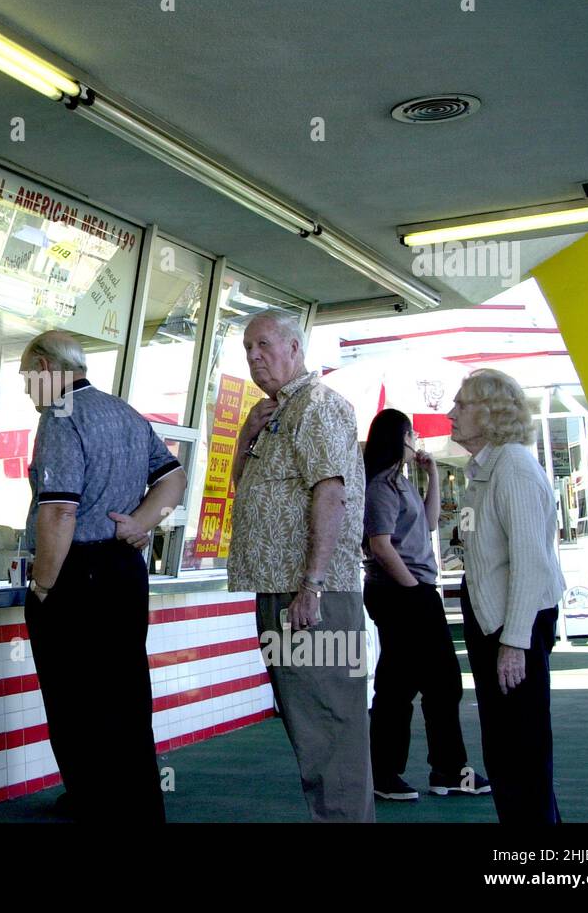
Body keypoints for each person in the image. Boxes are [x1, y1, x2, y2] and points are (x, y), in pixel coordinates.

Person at [19, 330, 186, 823]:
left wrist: (43, 587)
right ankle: (137, 804)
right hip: (124, 573)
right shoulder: (125, 413)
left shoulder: (60, 417)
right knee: (127, 693)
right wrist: (142, 523)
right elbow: (174, 477)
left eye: (29, 378)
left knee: (74, 699)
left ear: (48, 369)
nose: (28, 389)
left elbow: (58, 514)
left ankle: (93, 800)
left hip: (78, 576)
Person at [227, 308, 373, 822]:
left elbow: (330, 493)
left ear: (294, 348)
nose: (254, 357)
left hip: (312, 598)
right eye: (248, 349)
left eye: (263, 345)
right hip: (281, 593)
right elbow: (245, 491)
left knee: (330, 731)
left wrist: (311, 584)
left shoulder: (317, 404)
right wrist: (245, 434)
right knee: (309, 732)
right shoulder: (275, 413)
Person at [447, 368, 564, 824]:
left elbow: (530, 563)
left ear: (491, 412)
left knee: (521, 751)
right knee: (505, 750)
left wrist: (514, 643)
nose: (451, 413)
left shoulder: (512, 466)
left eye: (461, 404)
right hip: (495, 623)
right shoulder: (485, 468)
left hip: (515, 626)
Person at [362, 408, 489, 801]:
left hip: (413, 590)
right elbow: (378, 544)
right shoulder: (380, 486)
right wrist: (413, 588)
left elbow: (431, 523)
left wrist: (432, 474)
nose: (416, 439)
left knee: (429, 683)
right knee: (412, 684)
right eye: (411, 433)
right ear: (399, 438)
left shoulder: (401, 482)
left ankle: (442, 769)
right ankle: (395, 772)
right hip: (401, 593)